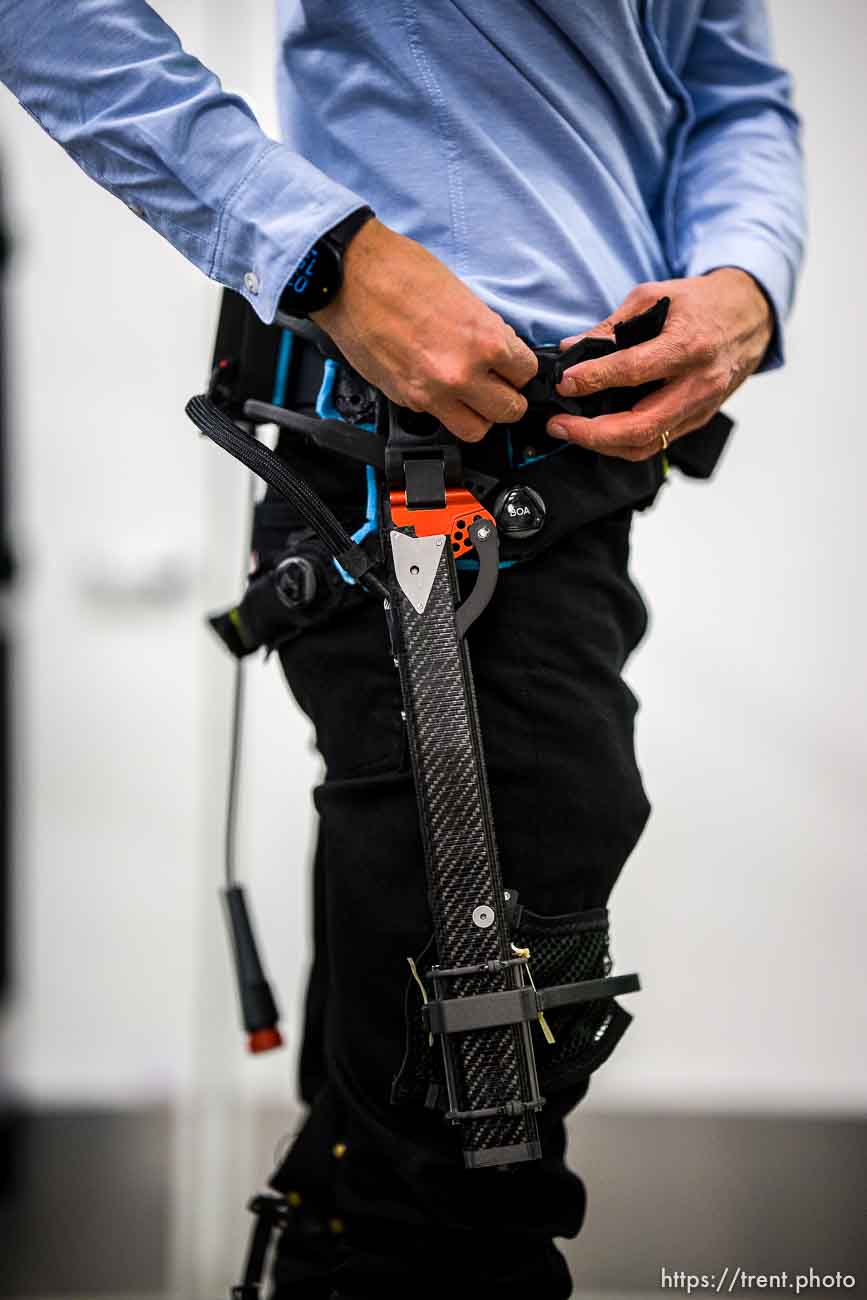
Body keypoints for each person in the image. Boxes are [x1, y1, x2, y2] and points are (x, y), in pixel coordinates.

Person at [0, 3, 805, 1297]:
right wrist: (319, 252)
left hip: (578, 495)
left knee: (416, 1125)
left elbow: (731, 78)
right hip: (411, 479)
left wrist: (747, 279)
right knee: (461, 1152)